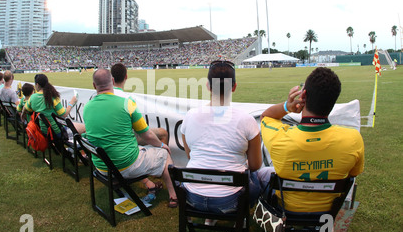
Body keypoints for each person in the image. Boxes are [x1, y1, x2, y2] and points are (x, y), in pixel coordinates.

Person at [260, 67, 364, 213]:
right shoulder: (353, 139)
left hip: (285, 209)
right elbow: (353, 174)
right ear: (334, 99)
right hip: (328, 211)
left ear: (303, 95)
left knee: (262, 174)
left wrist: (287, 106)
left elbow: (266, 117)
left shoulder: (279, 137)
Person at [180, 60, 272, 216]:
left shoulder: (189, 116)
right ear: (234, 87)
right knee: (264, 175)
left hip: (192, 197)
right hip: (230, 200)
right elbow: (256, 165)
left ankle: (210, 217)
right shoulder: (247, 120)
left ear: (208, 86)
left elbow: (190, 156)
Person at [83, 69, 178, 207]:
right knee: (163, 153)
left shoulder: (87, 107)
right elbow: (147, 134)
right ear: (113, 82)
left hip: (102, 167)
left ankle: (151, 184)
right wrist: (163, 145)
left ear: (94, 85)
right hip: (125, 165)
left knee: (135, 149)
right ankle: (174, 196)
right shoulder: (126, 103)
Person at [111, 62, 168, 144]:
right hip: (124, 141)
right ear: (126, 77)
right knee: (163, 133)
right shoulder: (128, 100)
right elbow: (143, 130)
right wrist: (161, 145)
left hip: (106, 141)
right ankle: (162, 154)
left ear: (111, 78)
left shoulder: (99, 97)